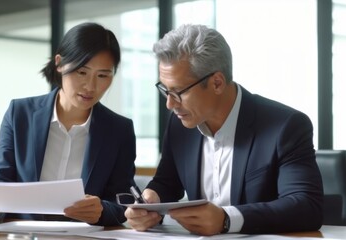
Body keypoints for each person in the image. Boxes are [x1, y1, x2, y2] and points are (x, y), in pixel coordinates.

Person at [125, 24, 323, 235]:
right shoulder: (180, 125)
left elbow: (306, 206)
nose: (170, 105)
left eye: (178, 92)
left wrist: (227, 219)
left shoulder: (285, 126)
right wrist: (150, 201)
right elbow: (167, 182)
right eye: (165, 90)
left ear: (217, 83)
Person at [0, 22, 137, 226]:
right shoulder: (20, 114)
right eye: (82, 72)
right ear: (60, 63)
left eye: (102, 75)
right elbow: (0, 184)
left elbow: (123, 201)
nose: (90, 86)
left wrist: (101, 210)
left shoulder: (119, 130)